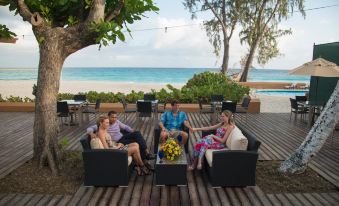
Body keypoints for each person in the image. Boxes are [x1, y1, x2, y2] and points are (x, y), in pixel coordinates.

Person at [87, 111, 156, 161]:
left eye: (115, 117)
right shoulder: (103, 124)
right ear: (108, 117)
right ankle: (143, 160)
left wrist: (131, 130)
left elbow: (125, 127)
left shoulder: (117, 122)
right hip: (118, 141)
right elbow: (89, 128)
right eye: (112, 117)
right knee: (137, 142)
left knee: (137, 133)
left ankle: (147, 153)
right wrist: (91, 133)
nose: (114, 119)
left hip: (123, 137)